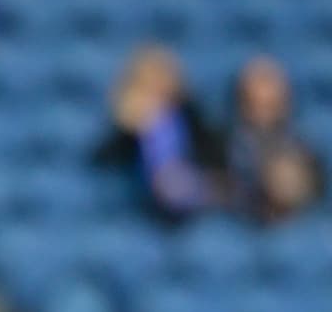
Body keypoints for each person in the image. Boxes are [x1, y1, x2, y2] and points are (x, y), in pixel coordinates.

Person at [93, 44, 226, 224]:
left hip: (191, 215)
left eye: (160, 81)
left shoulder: (194, 122)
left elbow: (218, 170)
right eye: (146, 85)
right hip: (140, 213)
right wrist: (132, 128)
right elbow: (104, 169)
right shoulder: (123, 137)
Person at [226, 55, 324, 224]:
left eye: (271, 105)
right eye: (255, 104)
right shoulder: (223, 144)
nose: (263, 114)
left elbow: (315, 191)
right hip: (242, 225)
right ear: (241, 103)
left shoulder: (303, 147)